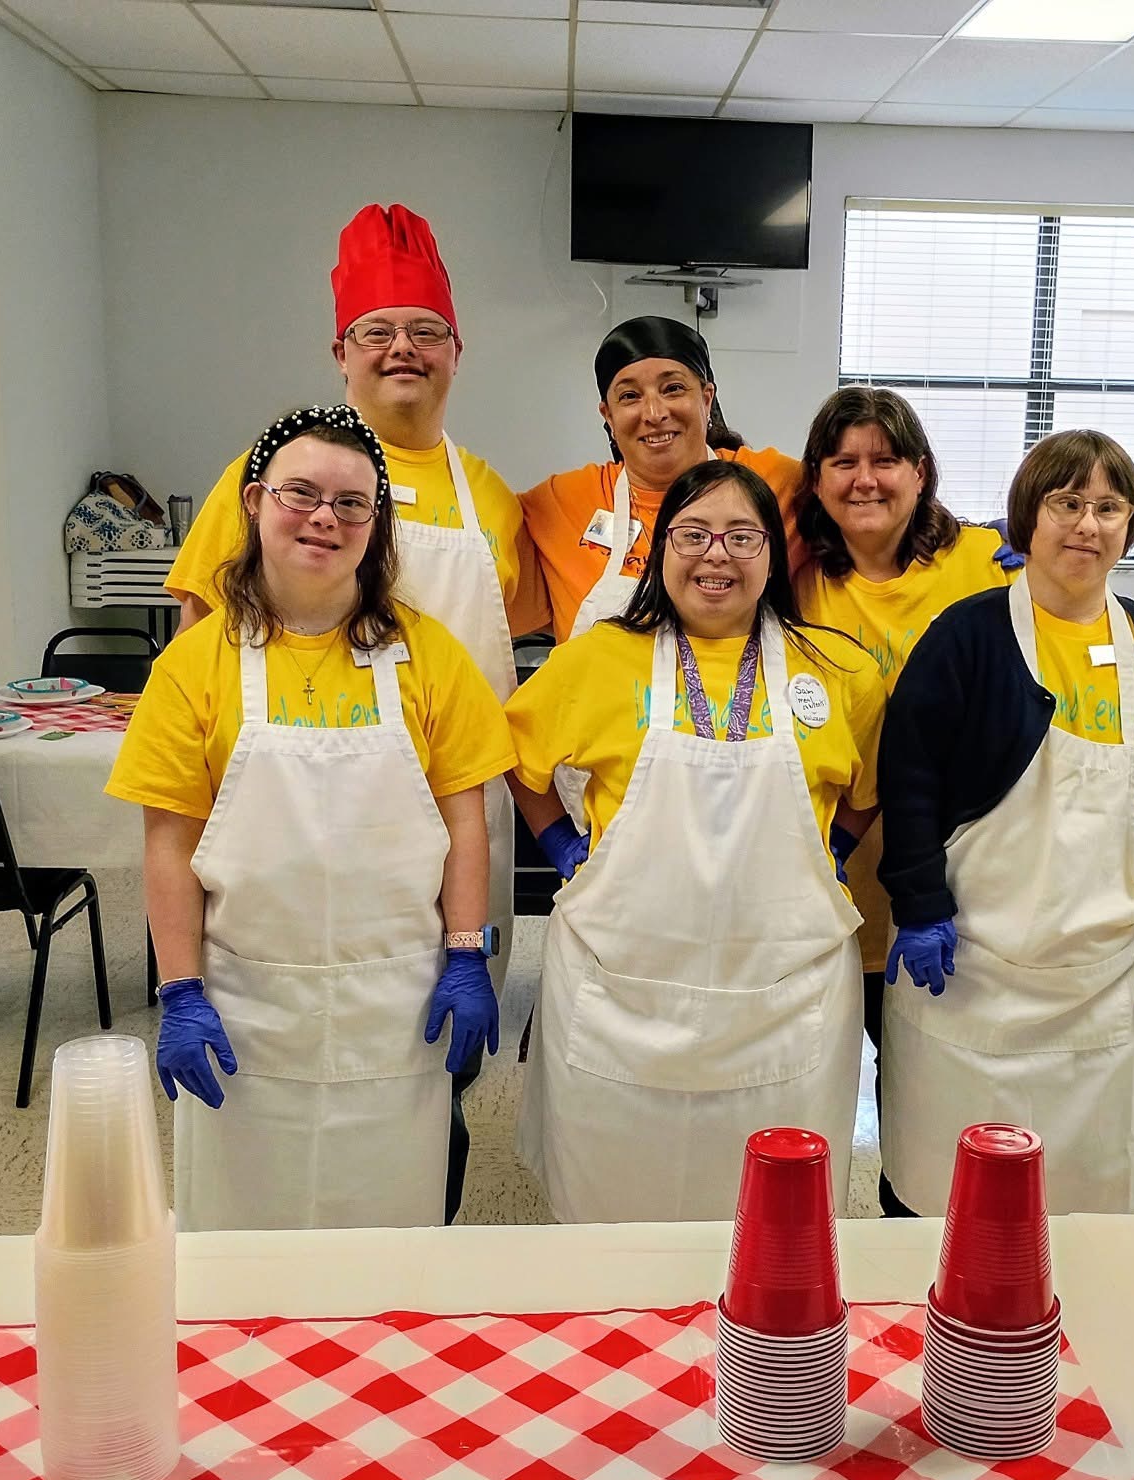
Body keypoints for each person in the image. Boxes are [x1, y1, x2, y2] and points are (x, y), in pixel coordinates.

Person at [161, 204, 533, 1217]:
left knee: (428, 1071)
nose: (401, 350)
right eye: (377, 331)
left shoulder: (492, 499)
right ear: (340, 353)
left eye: (423, 330)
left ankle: (427, 1225)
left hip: (449, 825)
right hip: (278, 830)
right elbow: (206, 644)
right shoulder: (268, 474)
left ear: (458, 351)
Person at [107, 405, 515, 1232]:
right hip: (246, 1007)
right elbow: (170, 841)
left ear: (376, 523)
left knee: (388, 1234)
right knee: (245, 1245)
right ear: (255, 502)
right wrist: (179, 988)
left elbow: (464, 823)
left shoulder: (431, 656)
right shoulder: (196, 662)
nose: (325, 517)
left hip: (398, 1007)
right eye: (301, 493)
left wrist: (467, 955)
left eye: (351, 502)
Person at [505, 458, 886, 1222]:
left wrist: (831, 855)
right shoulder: (597, 659)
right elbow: (519, 762)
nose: (717, 556)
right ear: (660, 548)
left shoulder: (839, 669)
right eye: (694, 534)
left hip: (784, 999)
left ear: (773, 556)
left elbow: (867, 789)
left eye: (743, 537)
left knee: (771, 1229)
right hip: (623, 993)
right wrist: (561, 851)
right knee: (614, 1212)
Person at [876, 429, 1134, 1218]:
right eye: (1067, 503)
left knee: (1085, 1198)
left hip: (1103, 979)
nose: (1087, 525)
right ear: (1026, 518)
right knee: (947, 1192)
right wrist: (920, 902)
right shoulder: (967, 637)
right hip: (972, 967)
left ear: (1130, 526)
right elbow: (912, 777)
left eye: (1108, 507)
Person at [792, 385, 1017, 1041]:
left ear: (920, 473)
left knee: (949, 1083)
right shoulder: (796, 583)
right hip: (844, 875)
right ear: (816, 480)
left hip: (967, 879)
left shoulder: (984, 564)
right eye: (843, 462)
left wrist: (1046, 551)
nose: (865, 480)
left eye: (886, 460)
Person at [520, 316, 805, 644]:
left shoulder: (779, 483)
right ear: (608, 415)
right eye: (629, 396)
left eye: (673, 389)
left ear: (706, 398)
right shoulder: (558, 503)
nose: (654, 413)